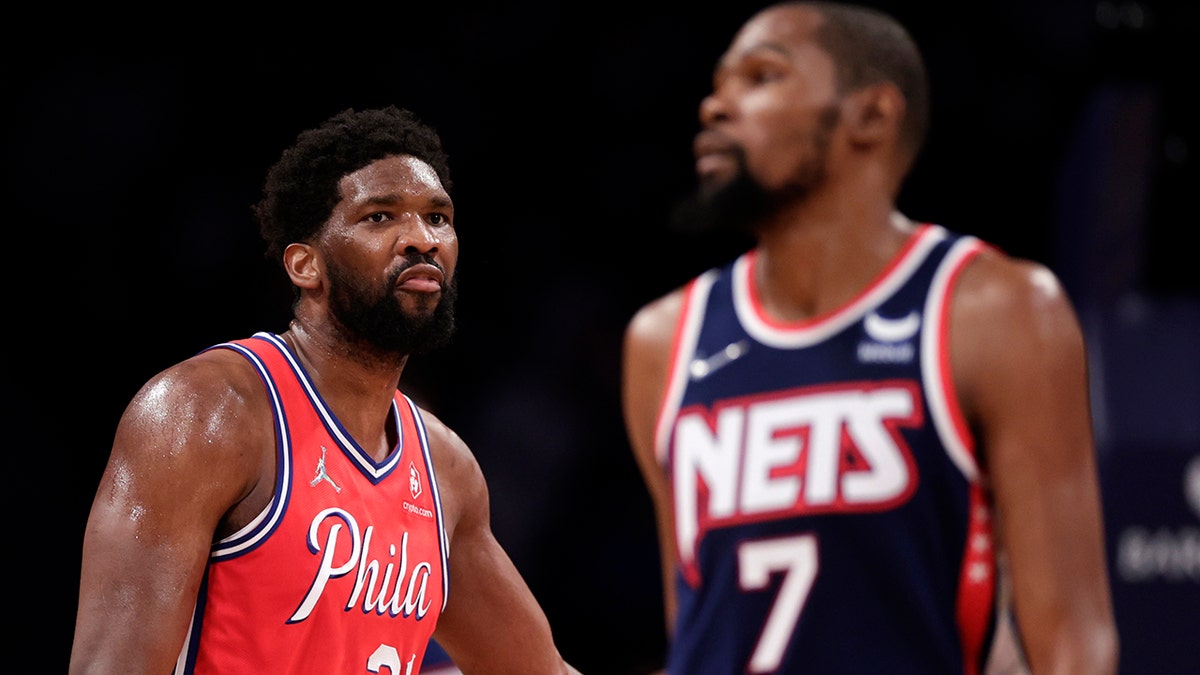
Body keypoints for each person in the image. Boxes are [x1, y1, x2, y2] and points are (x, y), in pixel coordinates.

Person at [621, 3, 1120, 674]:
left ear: (872, 115)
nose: (716, 105)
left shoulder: (997, 310)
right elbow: (697, 621)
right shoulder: (663, 339)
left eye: (762, 77)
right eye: (718, 84)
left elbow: (1073, 645)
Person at [70, 105, 581, 675]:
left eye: (438, 217)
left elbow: (540, 669)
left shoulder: (444, 471)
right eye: (380, 217)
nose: (421, 239)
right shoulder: (204, 414)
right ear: (305, 264)